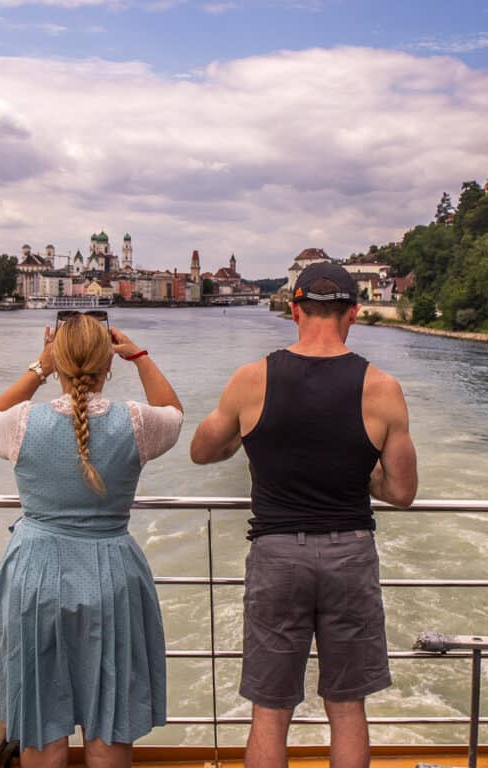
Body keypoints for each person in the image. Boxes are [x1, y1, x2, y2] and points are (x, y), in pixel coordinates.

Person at [190, 262, 418, 768]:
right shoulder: (382, 387)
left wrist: (248, 440)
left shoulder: (252, 378)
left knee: (270, 711)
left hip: (276, 555)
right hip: (350, 554)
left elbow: (203, 451)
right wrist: (359, 474)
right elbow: (402, 491)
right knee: (347, 706)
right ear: (353, 314)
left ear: (294, 310)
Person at [0, 312, 183, 768]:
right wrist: (140, 356)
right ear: (108, 365)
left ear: (58, 359)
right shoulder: (135, 423)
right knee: (110, 719)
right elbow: (173, 413)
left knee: (41, 722)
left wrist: (40, 367)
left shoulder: (19, 425)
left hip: (34, 576)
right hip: (110, 574)